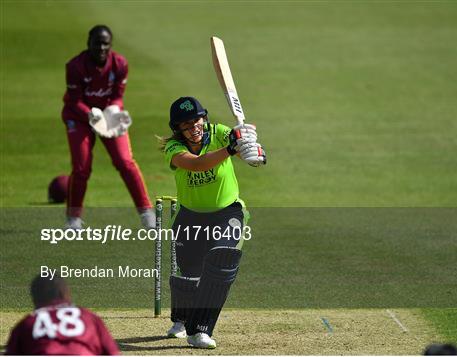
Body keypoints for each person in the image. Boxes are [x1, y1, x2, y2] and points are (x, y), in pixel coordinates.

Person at [161, 96, 265, 349]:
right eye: (186, 125)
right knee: (190, 276)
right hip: (190, 216)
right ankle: (182, 319)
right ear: (177, 129)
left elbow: (244, 146)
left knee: (223, 262)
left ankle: (200, 331)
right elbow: (196, 165)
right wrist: (232, 149)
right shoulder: (173, 149)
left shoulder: (219, 133)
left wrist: (251, 149)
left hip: (227, 212)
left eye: (197, 120)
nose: (194, 127)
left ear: (203, 118)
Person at [62, 25, 154, 229]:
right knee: (81, 167)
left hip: (108, 118)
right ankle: (74, 219)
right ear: (88, 44)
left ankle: (146, 212)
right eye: (97, 43)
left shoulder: (120, 64)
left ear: (110, 45)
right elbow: (74, 100)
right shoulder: (75, 66)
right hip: (79, 118)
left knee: (125, 161)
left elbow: (118, 96)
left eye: (106, 44)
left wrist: (114, 110)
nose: (101, 48)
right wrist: (90, 113)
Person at [5, 275, 119, 355]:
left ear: (35, 298)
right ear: (66, 294)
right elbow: (112, 353)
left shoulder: (27, 323)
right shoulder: (89, 317)